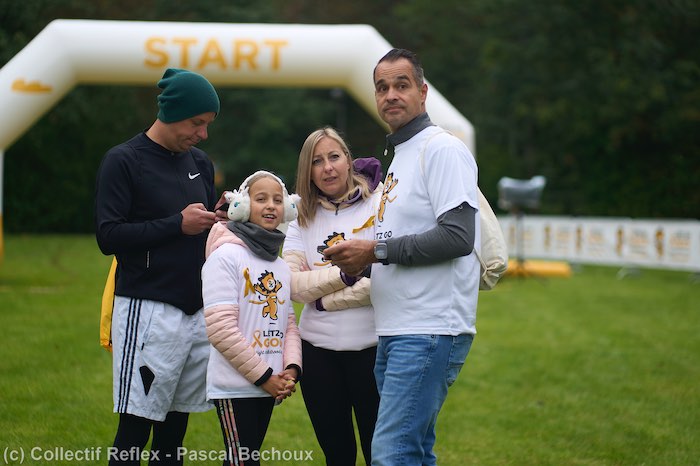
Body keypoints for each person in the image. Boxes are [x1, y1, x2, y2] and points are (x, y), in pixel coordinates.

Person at [324, 48, 481, 465]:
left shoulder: (442, 149)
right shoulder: (400, 155)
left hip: (428, 329)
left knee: (391, 454)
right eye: (382, 87)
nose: (390, 94)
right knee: (413, 453)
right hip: (397, 329)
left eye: (401, 85)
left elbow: (458, 236)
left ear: (423, 92)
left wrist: (373, 251)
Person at [95, 68, 226, 465]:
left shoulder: (200, 162)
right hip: (146, 309)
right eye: (197, 123)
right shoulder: (123, 160)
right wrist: (176, 224)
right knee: (134, 430)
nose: (203, 134)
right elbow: (108, 236)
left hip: (195, 311)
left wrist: (219, 219)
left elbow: (198, 228)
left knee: (173, 432)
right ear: (172, 112)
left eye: (207, 124)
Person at [281, 127, 382, 466]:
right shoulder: (299, 217)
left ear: (348, 160)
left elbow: (385, 280)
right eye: (317, 161)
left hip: (374, 350)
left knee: (380, 453)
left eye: (334, 157)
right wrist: (349, 274)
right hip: (317, 354)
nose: (327, 168)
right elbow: (292, 285)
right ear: (307, 171)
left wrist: (321, 298)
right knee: (337, 455)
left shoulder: (378, 204)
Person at [202, 171, 302, 466]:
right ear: (243, 206)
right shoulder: (225, 257)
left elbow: (289, 324)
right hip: (236, 385)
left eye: (277, 200)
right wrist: (265, 377)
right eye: (261, 199)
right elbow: (221, 330)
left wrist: (290, 369)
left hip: (268, 385)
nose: (271, 205)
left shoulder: (280, 265)